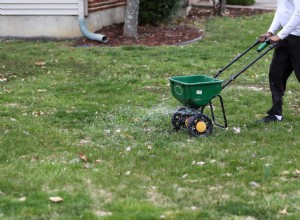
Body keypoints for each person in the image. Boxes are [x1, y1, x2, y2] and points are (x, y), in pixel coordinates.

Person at [258, 0, 300, 123]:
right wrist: (271, 32)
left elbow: (299, 12)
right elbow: (281, 10)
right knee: (276, 74)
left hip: (298, 39)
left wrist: (280, 35)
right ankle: (276, 115)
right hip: (285, 37)